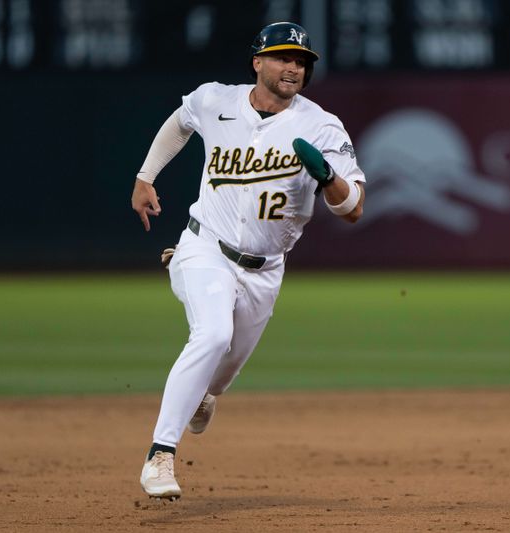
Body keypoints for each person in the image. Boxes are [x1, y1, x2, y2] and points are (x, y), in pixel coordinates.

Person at [131, 21, 366, 500]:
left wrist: (327, 179)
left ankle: (205, 393)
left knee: (221, 373)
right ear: (257, 62)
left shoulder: (321, 126)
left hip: (265, 269)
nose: (293, 67)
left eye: (301, 61)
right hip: (206, 245)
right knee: (212, 333)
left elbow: (354, 208)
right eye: (282, 57)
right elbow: (180, 123)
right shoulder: (216, 99)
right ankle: (160, 454)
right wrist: (145, 175)